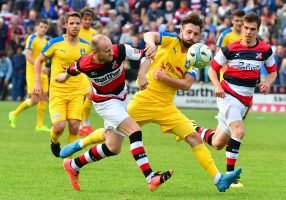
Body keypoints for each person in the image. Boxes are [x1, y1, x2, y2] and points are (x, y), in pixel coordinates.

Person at [60, 13, 242, 193]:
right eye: (188, 32)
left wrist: (164, 77)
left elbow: (186, 84)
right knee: (113, 141)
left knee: (194, 138)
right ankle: (81, 146)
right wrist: (151, 44)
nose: (191, 37)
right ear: (181, 31)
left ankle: (219, 179)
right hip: (144, 101)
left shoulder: (196, 56)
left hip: (167, 107)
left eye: (195, 34)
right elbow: (150, 35)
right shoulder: (170, 40)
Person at [55, 34, 173, 191]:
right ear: (96, 53)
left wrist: (142, 74)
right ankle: (151, 177)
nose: (112, 52)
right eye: (107, 51)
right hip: (105, 103)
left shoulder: (120, 50)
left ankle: (73, 164)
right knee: (134, 130)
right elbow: (72, 69)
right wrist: (64, 76)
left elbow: (144, 55)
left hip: (121, 98)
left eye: (111, 48)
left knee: (113, 147)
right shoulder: (85, 63)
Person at [198, 12, 277, 187]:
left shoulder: (264, 50)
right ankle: (231, 178)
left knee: (218, 143)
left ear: (258, 30)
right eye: (245, 28)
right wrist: (217, 85)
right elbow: (212, 69)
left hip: (245, 101)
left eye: (252, 29)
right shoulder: (229, 49)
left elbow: (273, 71)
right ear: (242, 28)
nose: (248, 32)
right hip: (227, 95)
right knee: (239, 131)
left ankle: (192, 128)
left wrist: (268, 83)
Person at [33, 12, 91, 157]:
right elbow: (38, 61)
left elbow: (91, 66)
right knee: (59, 127)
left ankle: (69, 161)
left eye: (77, 23)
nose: (75, 26)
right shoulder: (55, 43)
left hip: (76, 91)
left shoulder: (86, 46)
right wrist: (38, 82)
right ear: (65, 25)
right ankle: (54, 140)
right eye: (71, 23)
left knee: (74, 126)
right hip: (58, 91)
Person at [9, 20, 50, 131]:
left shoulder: (45, 41)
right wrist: (41, 68)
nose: (43, 29)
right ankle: (14, 113)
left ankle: (40, 125)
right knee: (35, 99)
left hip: (43, 72)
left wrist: (45, 68)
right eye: (41, 26)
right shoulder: (31, 38)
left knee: (44, 97)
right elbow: (28, 57)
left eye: (45, 27)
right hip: (33, 72)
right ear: (37, 26)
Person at [77, 7, 98, 136]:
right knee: (86, 95)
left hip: (91, 67)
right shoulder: (77, 32)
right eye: (85, 19)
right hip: (80, 67)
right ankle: (82, 124)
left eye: (89, 19)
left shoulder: (94, 33)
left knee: (90, 96)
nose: (87, 21)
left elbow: (96, 48)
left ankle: (86, 123)